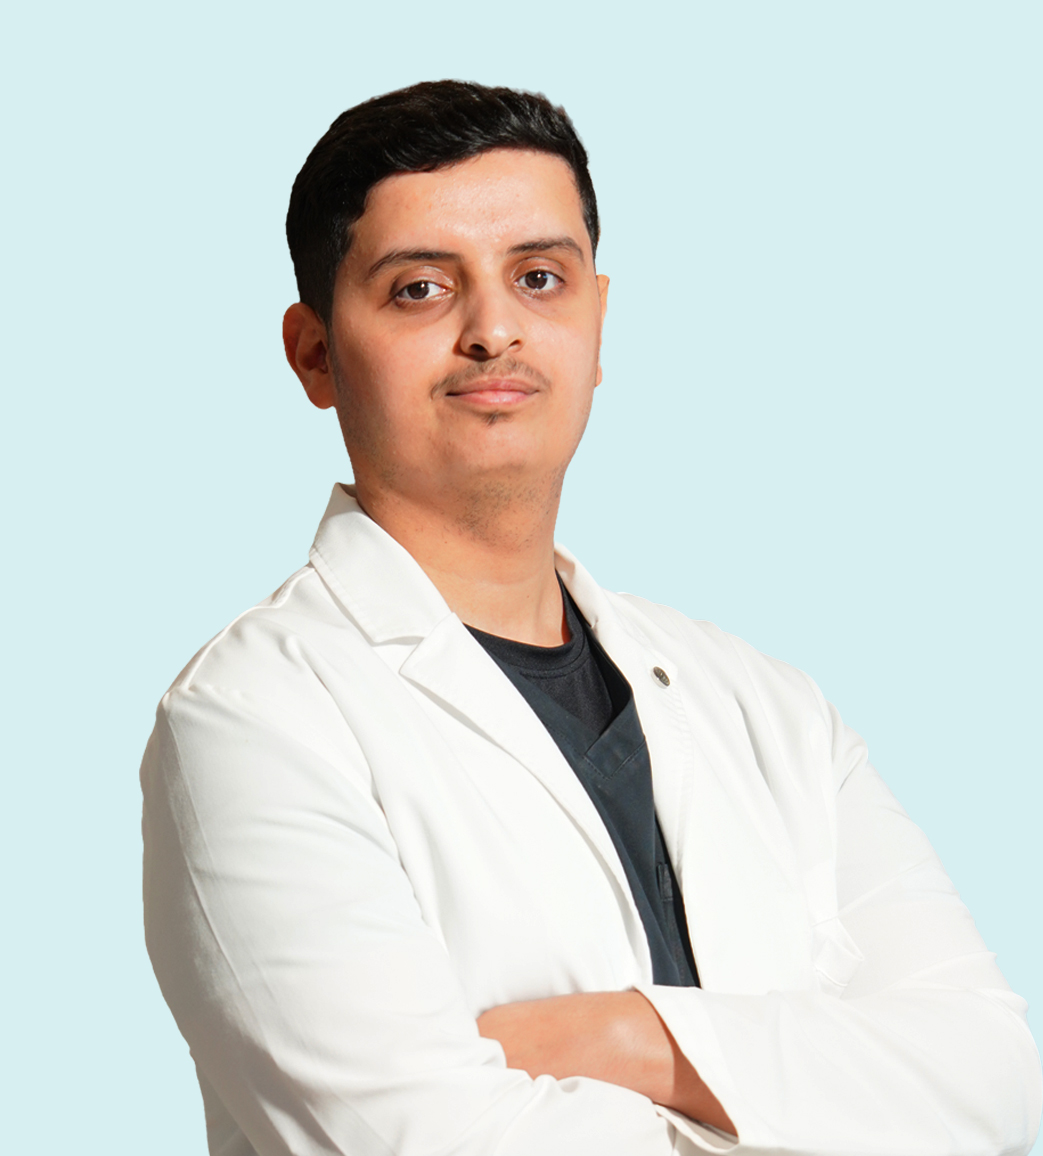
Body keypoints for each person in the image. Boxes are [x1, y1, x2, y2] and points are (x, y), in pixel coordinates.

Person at [141, 80, 1042, 1156]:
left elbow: (992, 1083)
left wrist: (628, 1037)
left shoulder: (769, 709)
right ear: (315, 354)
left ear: (596, 320)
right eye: (420, 289)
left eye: (538, 278)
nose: (493, 330)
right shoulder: (254, 719)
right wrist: (815, 1092)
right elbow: (430, 1143)